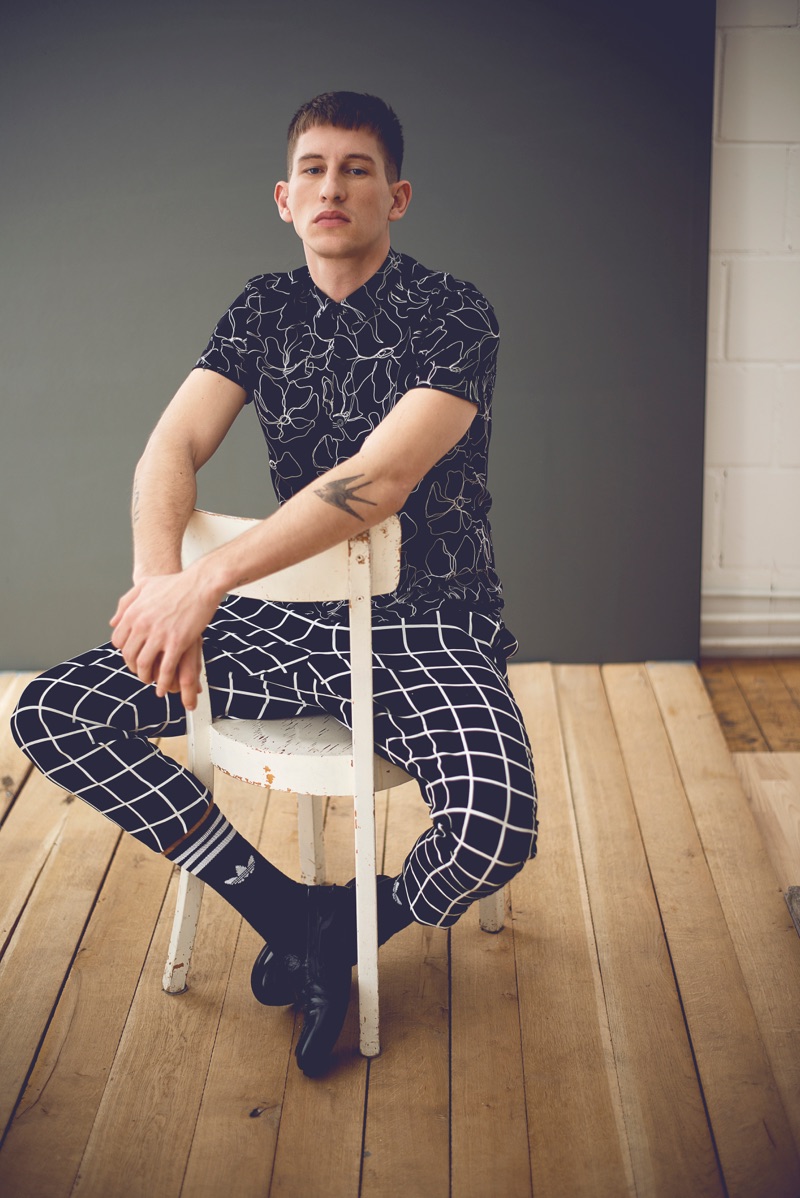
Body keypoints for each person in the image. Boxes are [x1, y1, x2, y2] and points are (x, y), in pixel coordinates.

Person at [12, 91, 538, 1077]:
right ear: (283, 198)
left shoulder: (454, 312)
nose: (331, 186)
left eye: (355, 169)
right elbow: (171, 444)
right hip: (285, 621)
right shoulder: (261, 306)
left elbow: (376, 481)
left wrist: (207, 577)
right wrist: (157, 581)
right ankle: (284, 907)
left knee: (495, 827)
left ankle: (344, 925)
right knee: (56, 713)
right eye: (312, 169)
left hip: (428, 624)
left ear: (398, 195)